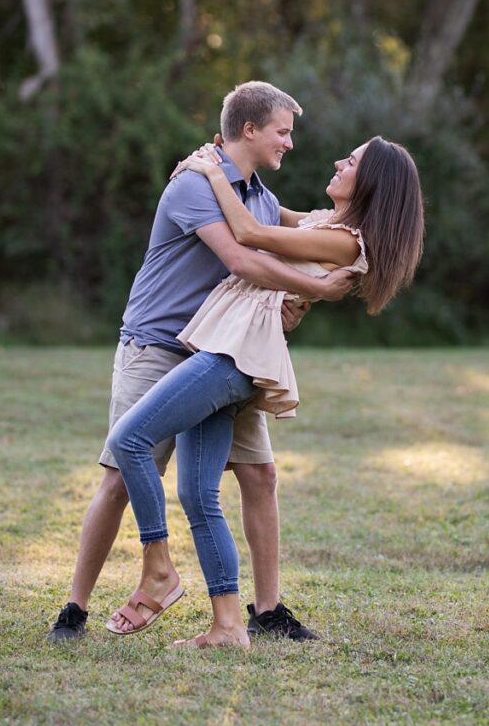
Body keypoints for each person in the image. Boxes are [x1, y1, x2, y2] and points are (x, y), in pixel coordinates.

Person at [46, 82, 354, 643]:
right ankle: (75, 608)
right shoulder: (195, 182)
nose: (290, 143)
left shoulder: (258, 197)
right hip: (159, 346)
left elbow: (289, 245)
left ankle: (265, 612)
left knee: (259, 475)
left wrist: (306, 293)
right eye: (283, 131)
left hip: (221, 356)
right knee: (120, 474)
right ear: (249, 130)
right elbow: (241, 258)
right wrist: (323, 291)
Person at [101, 134, 426, 648]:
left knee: (130, 440)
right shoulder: (327, 224)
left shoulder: (347, 242)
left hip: (233, 356)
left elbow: (251, 232)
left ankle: (158, 568)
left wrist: (210, 174)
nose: (340, 161)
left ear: (374, 183)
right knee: (196, 492)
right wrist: (231, 168)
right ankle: (229, 626)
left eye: (354, 161)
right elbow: (272, 211)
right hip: (224, 348)